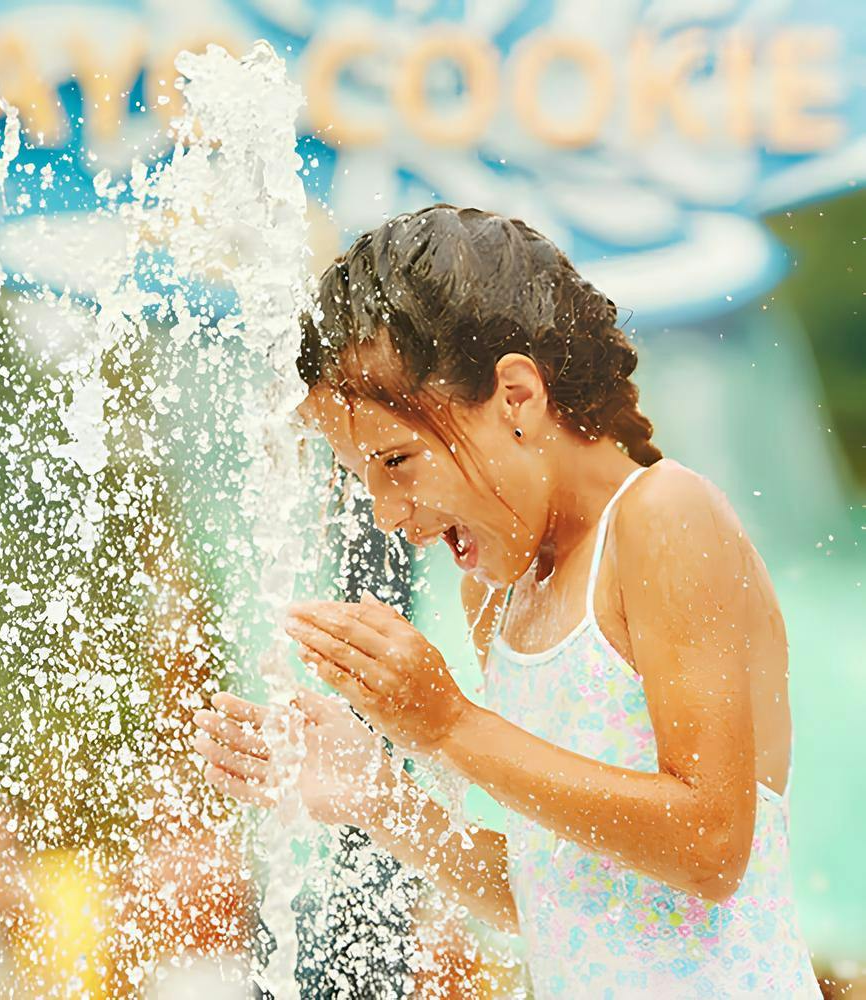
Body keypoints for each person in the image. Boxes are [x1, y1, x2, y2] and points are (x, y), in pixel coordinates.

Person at [191, 205, 821, 998]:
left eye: (397, 460)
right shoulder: (500, 597)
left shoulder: (663, 517)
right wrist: (379, 799)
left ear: (517, 397)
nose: (387, 514)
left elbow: (710, 844)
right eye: (362, 480)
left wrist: (450, 725)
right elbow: (555, 895)